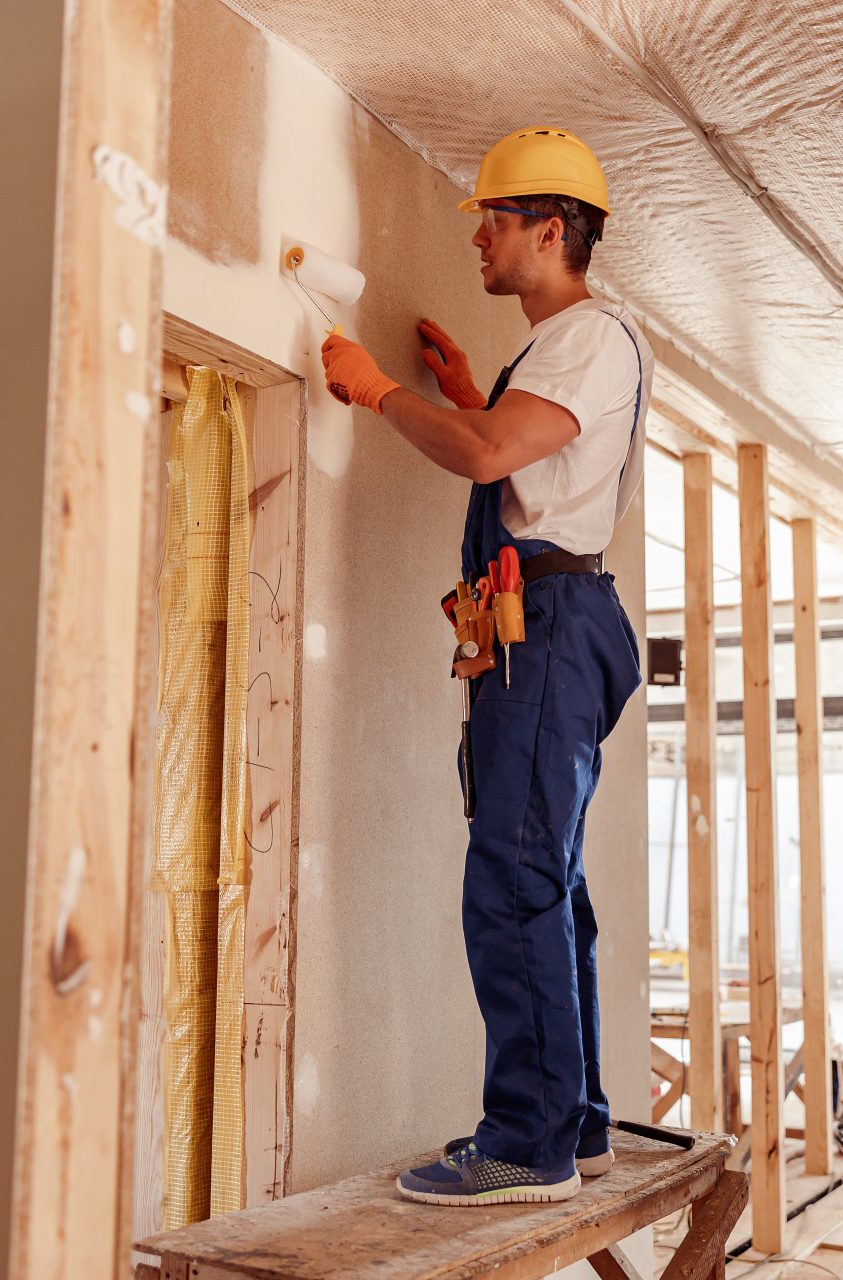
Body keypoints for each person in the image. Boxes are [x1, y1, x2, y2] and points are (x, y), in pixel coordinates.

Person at [319, 126, 654, 1206]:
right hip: (552, 621)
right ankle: (577, 1125)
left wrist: (378, 390)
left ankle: (526, 1143)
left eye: (494, 222)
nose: (478, 238)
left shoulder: (586, 337)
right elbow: (515, 448)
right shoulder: (566, 345)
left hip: (548, 624)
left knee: (513, 879)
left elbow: (488, 454)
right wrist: (471, 391)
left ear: (551, 232)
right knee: (546, 879)